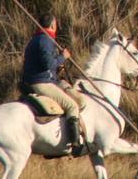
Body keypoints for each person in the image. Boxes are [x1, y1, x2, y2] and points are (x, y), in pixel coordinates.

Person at [20, 14, 89, 156]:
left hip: (47, 79)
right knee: (72, 106)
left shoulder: (38, 38)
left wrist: (58, 66)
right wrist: (63, 57)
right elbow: (48, 64)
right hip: (41, 82)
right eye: (56, 24)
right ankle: (75, 145)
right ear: (53, 25)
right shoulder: (45, 40)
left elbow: (47, 65)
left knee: (77, 99)